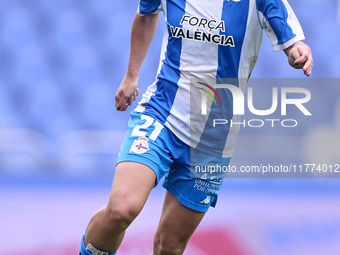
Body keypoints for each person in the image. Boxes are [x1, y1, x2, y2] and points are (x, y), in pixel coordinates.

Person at [80, 0, 313, 254]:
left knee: (169, 244)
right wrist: (132, 75)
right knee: (121, 209)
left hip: (213, 139)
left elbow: (293, 43)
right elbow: (146, 14)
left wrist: (298, 53)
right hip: (162, 114)